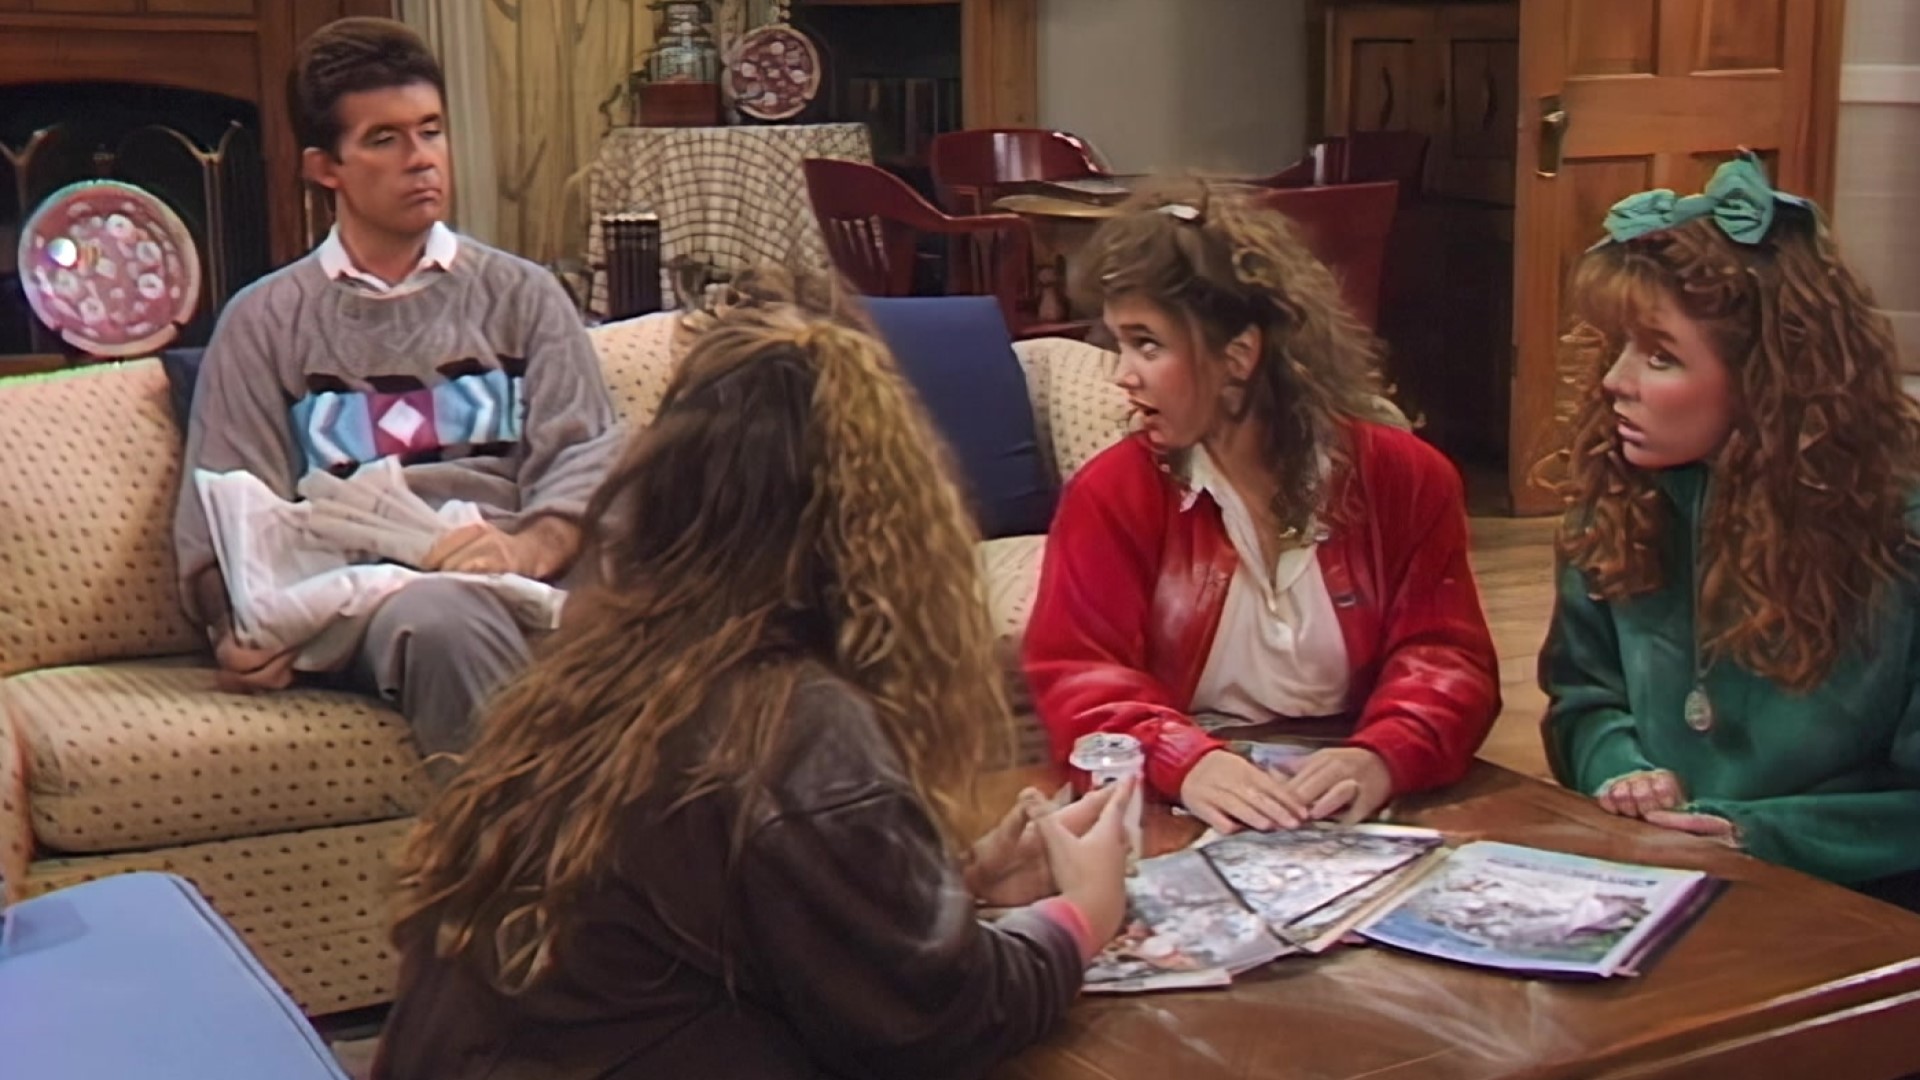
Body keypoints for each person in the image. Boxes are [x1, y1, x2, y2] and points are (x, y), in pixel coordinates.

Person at [372, 272, 1133, 1080]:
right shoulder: (793, 724)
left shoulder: (603, 674)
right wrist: (1082, 914)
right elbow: (938, 1017)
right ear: (874, 519)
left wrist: (951, 883)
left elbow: (762, 919)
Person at [172, 18, 619, 762]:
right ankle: (534, 835)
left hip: (521, 572)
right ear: (326, 168)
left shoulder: (524, 295)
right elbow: (230, 503)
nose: (421, 159)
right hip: (379, 598)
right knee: (445, 619)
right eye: (385, 139)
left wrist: (524, 549)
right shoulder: (266, 321)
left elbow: (585, 458)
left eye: (432, 131)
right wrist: (235, 629)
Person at [1022, 182, 1500, 837]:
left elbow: (1449, 661)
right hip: (1184, 801)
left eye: (1148, 345)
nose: (1123, 376)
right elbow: (1078, 677)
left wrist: (1384, 754)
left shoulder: (1407, 479)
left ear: (1239, 356)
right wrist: (1183, 760)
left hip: (1350, 800)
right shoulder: (1112, 493)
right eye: (1120, 344)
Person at [1539, 153, 1920, 903]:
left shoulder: (1901, 536)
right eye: (1618, 346)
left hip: (1858, 902)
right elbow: (1582, 698)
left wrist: (1756, 836)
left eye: (1659, 357)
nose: (1615, 381)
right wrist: (1621, 773)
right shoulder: (1615, 499)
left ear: (1765, 380)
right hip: (1657, 874)